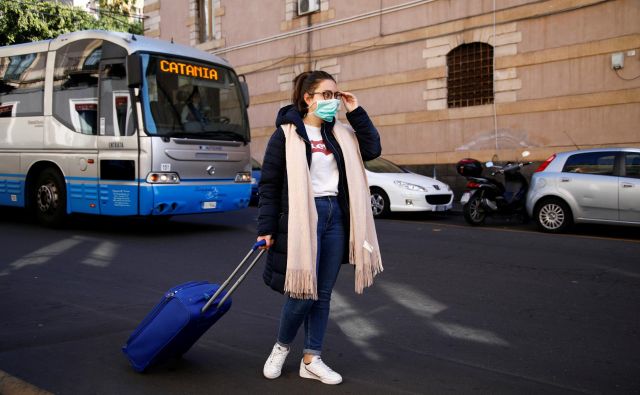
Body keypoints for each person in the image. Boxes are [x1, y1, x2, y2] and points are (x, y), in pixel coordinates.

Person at [257, 70, 383, 385]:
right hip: (301, 218)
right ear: (308, 98)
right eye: (327, 95)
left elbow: (372, 150)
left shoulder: (340, 132)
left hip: (335, 217)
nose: (333, 102)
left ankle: (312, 358)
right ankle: (281, 347)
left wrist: (356, 111)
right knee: (302, 293)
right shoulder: (285, 136)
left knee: (323, 294)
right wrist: (266, 228)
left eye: (336, 96)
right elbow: (270, 186)